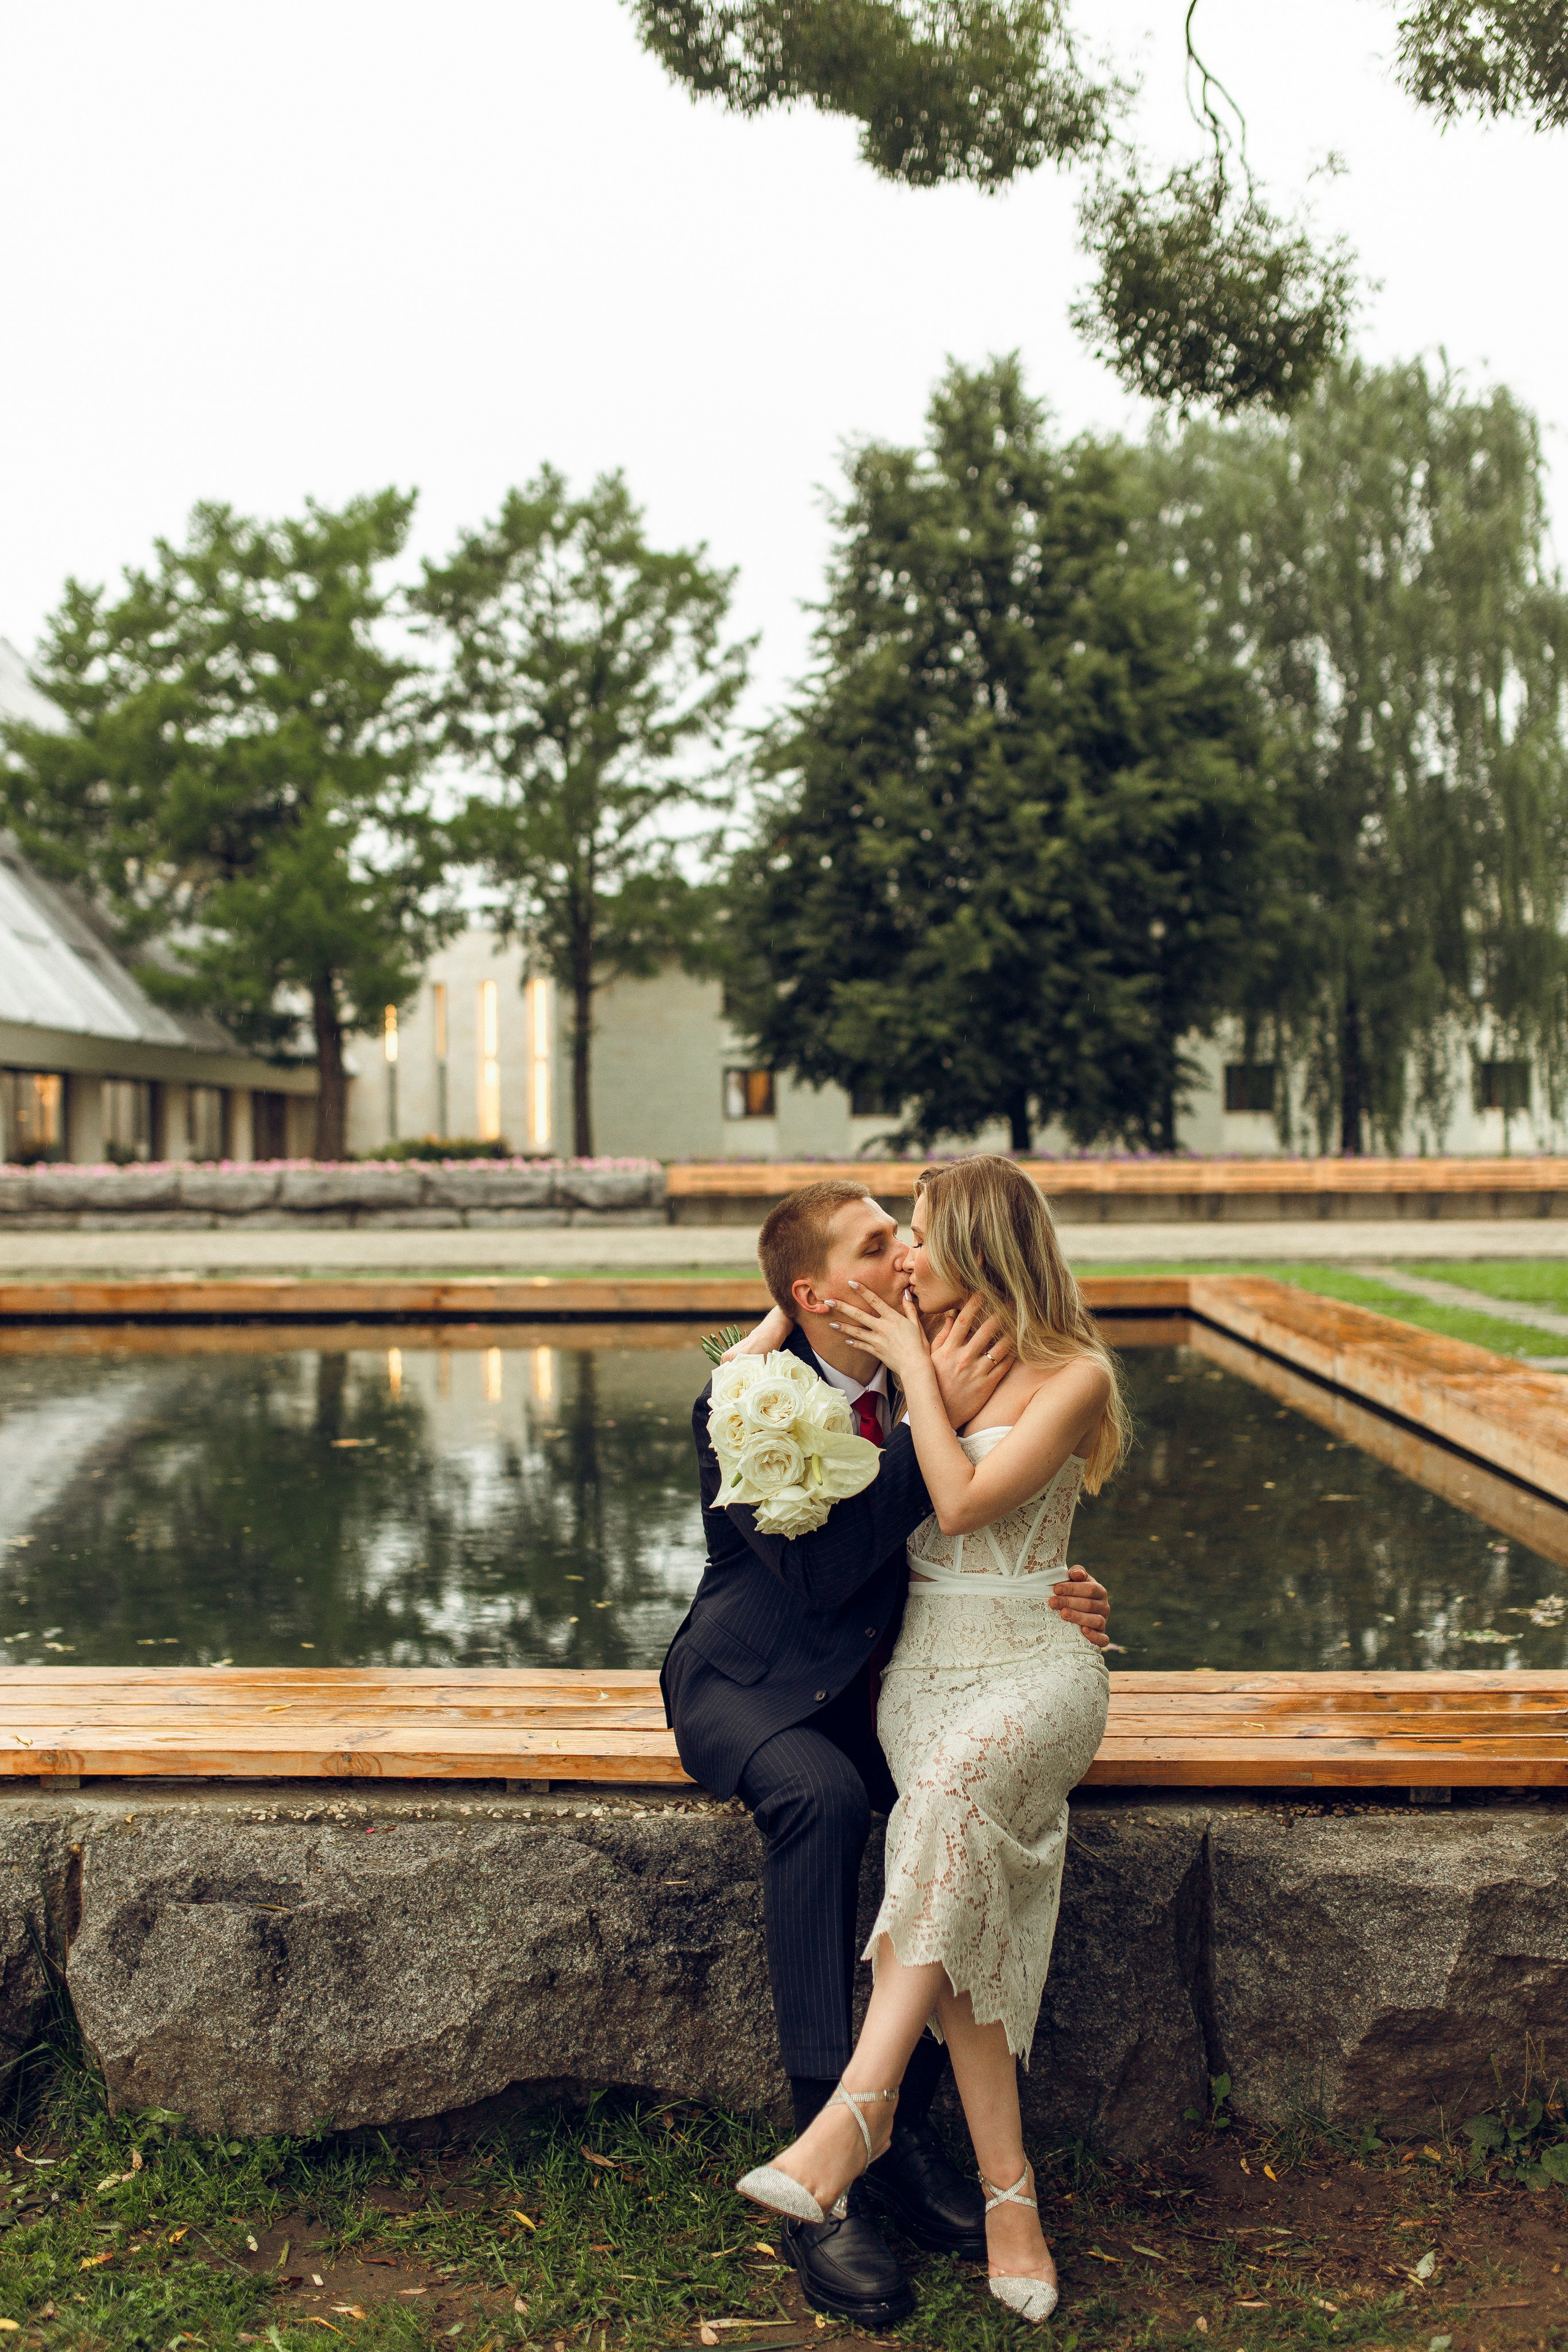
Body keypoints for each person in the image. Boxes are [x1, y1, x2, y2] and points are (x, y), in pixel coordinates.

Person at [659, 1177, 1114, 2328]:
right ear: (818, 1293)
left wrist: (1071, 1603)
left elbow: (1011, 1520)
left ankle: (886, 2137)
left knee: (937, 1814)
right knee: (820, 1799)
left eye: (908, 1234)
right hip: (752, 1684)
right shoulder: (751, 1398)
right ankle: (837, 2177)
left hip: (894, 1685)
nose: (906, 1256)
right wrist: (914, 1418)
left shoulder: (954, 1369)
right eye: (882, 1243)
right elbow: (815, 1577)